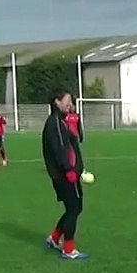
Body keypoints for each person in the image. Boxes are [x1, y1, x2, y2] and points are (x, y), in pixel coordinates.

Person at [42, 90, 88, 260]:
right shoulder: (55, 123)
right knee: (74, 208)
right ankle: (68, 249)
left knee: (73, 208)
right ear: (57, 102)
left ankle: (54, 238)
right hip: (65, 175)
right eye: (68, 101)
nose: (70, 104)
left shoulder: (60, 121)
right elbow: (61, 149)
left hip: (65, 173)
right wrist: (70, 169)